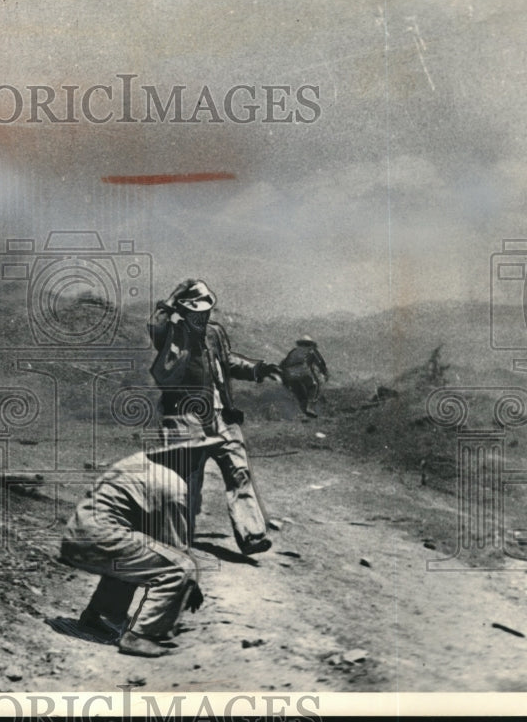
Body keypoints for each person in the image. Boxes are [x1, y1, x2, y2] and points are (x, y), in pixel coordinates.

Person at [148, 279, 282, 557]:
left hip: (221, 416)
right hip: (184, 417)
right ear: (185, 310)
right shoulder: (172, 333)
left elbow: (227, 360)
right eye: (197, 310)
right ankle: (171, 539)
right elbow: (155, 325)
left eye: (206, 309)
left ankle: (252, 535)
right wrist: (172, 297)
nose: (204, 314)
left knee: (239, 471)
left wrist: (256, 369)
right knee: (183, 479)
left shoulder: (214, 334)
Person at [60, 444, 205, 658]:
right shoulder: (173, 485)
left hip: (76, 537)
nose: (196, 464)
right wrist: (191, 585)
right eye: (195, 455)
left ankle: (98, 617)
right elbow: (177, 549)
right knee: (182, 568)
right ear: (180, 454)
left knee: (139, 551)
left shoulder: (136, 461)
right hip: (102, 541)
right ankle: (140, 636)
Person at [280, 336, 329, 418]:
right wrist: (325, 373)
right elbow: (320, 363)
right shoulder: (311, 350)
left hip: (288, 373)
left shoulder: (293, 351)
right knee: (314, 385)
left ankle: (300, 412)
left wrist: (284, 379)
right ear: (311, 344)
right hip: (303, 370)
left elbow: (282, 364)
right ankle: (310, 407)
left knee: (299, 392)